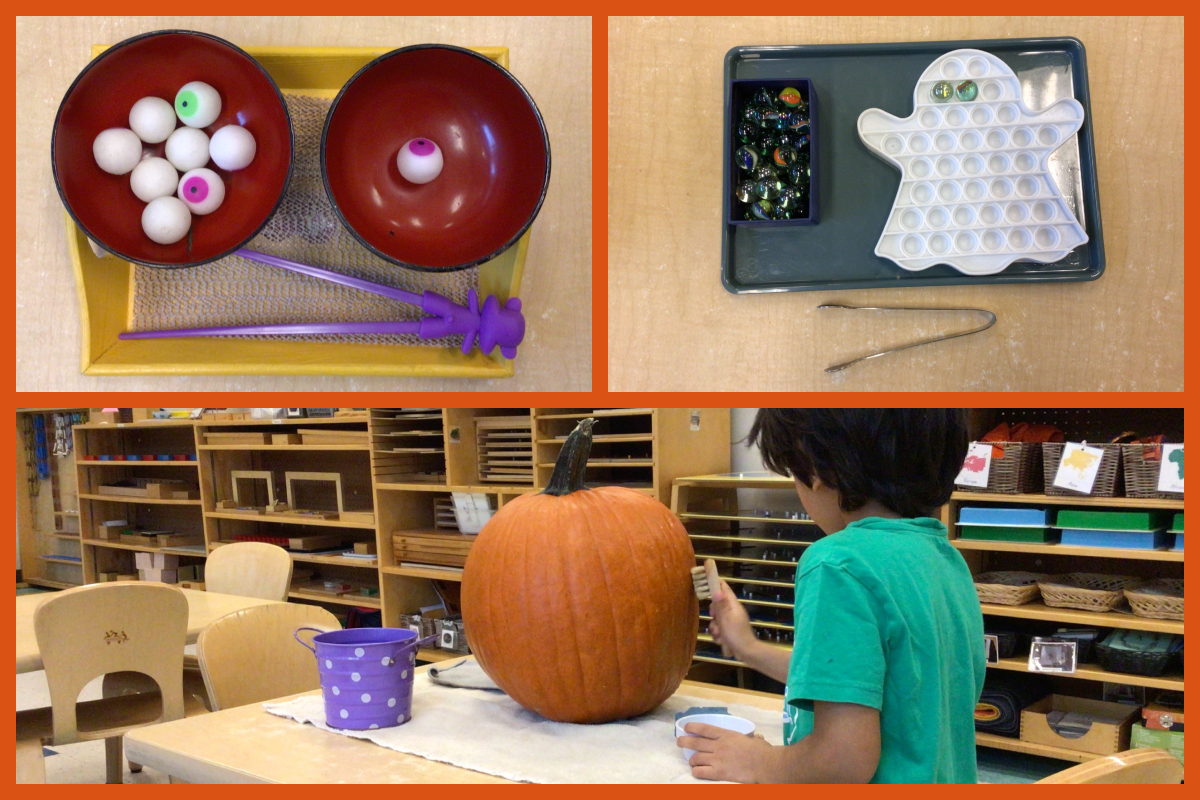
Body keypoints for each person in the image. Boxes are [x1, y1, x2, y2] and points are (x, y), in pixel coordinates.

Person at [679, 409, 984, 783]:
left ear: (817, 466)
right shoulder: (946, 559)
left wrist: (760, 761)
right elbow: (872, 686)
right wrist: (750, 648)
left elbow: (841, 761)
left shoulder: (837, 564)